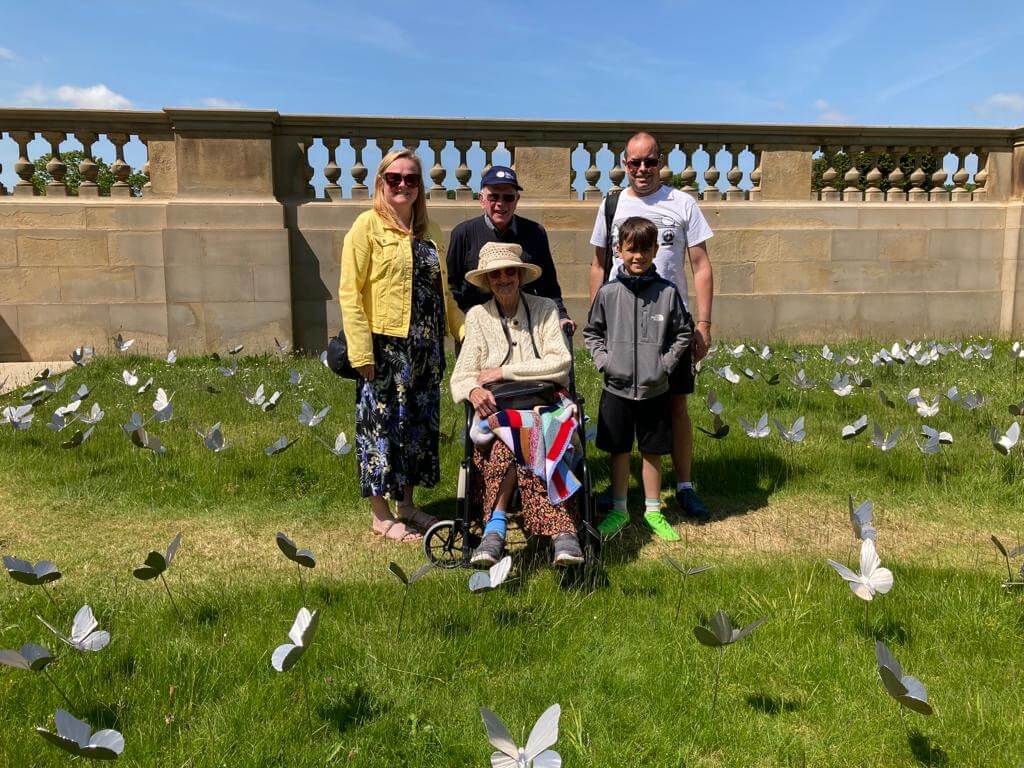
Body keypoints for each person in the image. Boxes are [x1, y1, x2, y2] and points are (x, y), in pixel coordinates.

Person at [589, 131, 715, 522]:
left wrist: (704, 324)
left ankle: (684, 486)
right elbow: (597, 265)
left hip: (668, 325)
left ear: (661, 162)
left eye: (649, 161)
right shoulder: (611, 204)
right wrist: (601, 322)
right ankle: (623, 491)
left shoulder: (682, 203)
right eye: (633, 162)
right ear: (624, 164)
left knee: (674, 406)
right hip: (624, 328)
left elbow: (701, 265)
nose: (642, 169)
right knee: (623, 410)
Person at [339, 148, 464, 543]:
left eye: (411, 179)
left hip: (426, 349)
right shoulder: (366, 227)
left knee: (417, 428)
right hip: (384, 349)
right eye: (395, 178)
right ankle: (380, 514)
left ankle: (407, 505)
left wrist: (463, 332)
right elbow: (350, 292)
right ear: (381, 182)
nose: (403, 185)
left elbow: (444, 295)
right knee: (380, 428)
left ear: (419, 186)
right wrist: (361, 353)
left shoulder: (432, 232)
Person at [450, 242, 585, 567]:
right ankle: (536, 531)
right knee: (509, 441)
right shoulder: (479, 317)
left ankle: (543, 532)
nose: (503, 278)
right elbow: (461, 376)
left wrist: (504, 371)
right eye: (495, 274)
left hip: (545, 406)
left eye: (510, 271)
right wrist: (473, 391)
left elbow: (560, 363)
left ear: (520, 275)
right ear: (488, 280)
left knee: (538, 436)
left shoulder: (544, 309)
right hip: (498, 411)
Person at [584, 217, 692, 541]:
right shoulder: (608, 293)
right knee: (618, 450)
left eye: (645, 250)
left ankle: (653, 511)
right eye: (631, 250)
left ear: (656, 251)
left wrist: (664, 365)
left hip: (654, 389)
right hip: (615, 389)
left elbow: (683, 333)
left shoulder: (667, 293)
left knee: (652, 451)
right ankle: (618, 509)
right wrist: (605, 362)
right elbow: (592, 332)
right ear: (618, 250)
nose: (638, 257)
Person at [447, 165, 575, 333]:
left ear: (517, 200)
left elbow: (548, 286)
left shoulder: (535, 233)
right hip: (478, 326)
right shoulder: (463, 233)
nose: (501, 204)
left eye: (508, 197)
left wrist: (561, 315)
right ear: (481, 199)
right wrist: (466, 322)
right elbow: (452, 286)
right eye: (493, 197)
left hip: (524, 327)